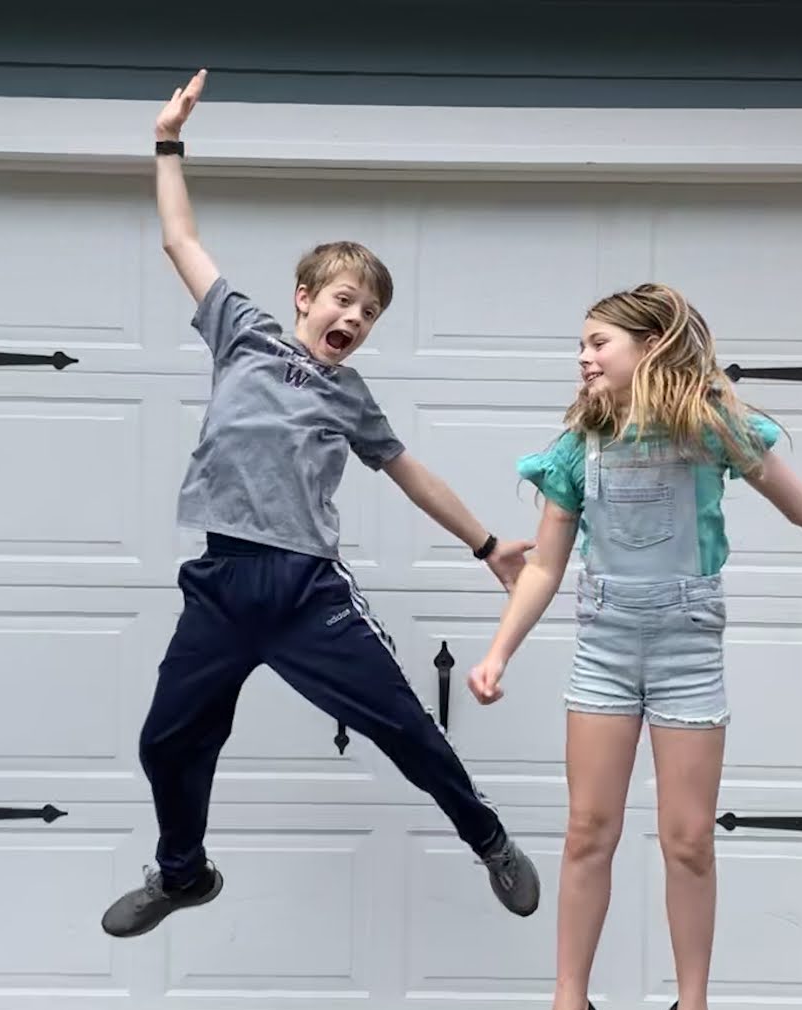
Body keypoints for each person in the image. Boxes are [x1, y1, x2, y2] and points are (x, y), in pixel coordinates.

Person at [466, 285, 802, 1010]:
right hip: (605, 652)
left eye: (598, 342)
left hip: (687, 649)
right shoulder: (579, 446)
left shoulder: (710, 428)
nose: (584, 357)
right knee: (588, 831)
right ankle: (569, 1008)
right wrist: (498, 650)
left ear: (651, 346)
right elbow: (544, 566)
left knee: (688, 841)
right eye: (581, 345)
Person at [101, 72, 543, 940]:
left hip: (307, 592)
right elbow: (180, 239)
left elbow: (409, 472)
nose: (355, 318)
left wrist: (487, 543)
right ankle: (183, 874)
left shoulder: (351, 397)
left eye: (369, 313)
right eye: (345, 300)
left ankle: (487, 838)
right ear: (305, 297)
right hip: (222, 585)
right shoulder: (242, 331)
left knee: (404, 725)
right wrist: (167, 141)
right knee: (166, 741)